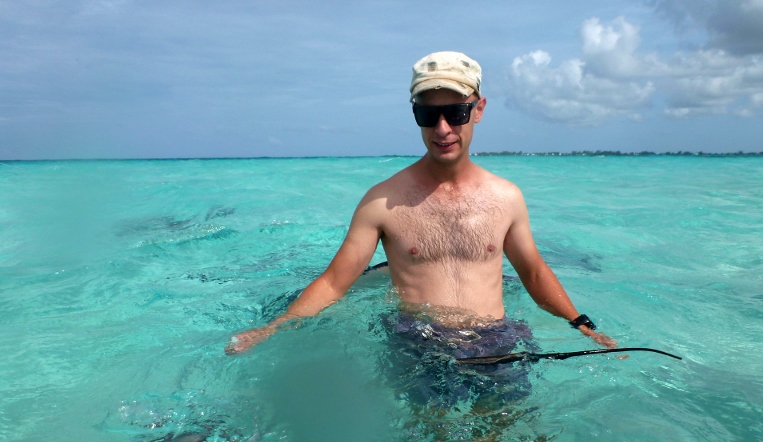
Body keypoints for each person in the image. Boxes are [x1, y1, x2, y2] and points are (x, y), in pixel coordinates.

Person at [226, 51, 616, 355]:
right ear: (415, 114)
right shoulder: (382, 203)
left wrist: (581, 323)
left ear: (478, 109)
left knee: (499, 441)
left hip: (496, 338)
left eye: (456, 112)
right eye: (428, 115)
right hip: (418, 344)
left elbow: (532, 272)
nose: (443, 129)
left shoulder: (506, 198)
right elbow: (333, 282)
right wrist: (273, 328)